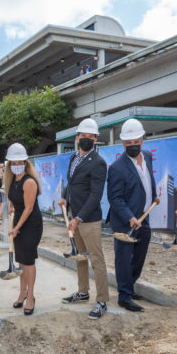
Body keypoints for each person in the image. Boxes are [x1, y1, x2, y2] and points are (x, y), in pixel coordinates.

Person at [59, 118, 110, 319]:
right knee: (80, 257)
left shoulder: (98, 163)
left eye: (91, 137)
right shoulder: (73, 158)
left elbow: (96, 195)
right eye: (83, 136)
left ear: (96, 139)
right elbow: (71, 182)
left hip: (88, 220)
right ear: (77, 137)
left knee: (96, 260)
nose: (86, 139)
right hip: (74, 215)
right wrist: (64, 196)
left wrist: (78, 218)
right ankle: (82, 292)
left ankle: (102, 301)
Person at [107, 118, 157, 313]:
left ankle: (130, 284)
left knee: (140, 254)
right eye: (128, 143)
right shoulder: (117, 168)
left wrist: (153, 196)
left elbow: (146, 180)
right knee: (124, 257)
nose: (133, 145)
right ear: (123, 144)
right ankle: (124, 296)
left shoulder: (147, 156)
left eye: (135, 141)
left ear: (142, 140)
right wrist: (130, 217)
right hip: (125, 221)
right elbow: (115, 198)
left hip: (144, 216)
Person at [4, 143, 43, 316]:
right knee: (20, 261)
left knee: (28, 261)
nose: (16, 165)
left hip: (30, 224)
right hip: (19, 222)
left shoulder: (29, 181)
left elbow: (28, 208)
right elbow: (15, 198)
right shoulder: (12, 180)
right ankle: (22, 293)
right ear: (9, 165)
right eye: (13, 162)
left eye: (20, 162)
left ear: (26, 163)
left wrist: (17, 228)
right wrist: (12, 206)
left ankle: (31, 296)